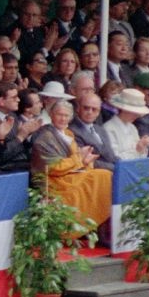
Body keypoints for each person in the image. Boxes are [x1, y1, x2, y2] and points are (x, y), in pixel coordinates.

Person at [30, 98, 112, 233]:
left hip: (69, 175)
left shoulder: (68, 133)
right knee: (102, 176)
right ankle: (77, 228)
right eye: (59, 115)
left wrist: (85, 162)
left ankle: (94, 225)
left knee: (104, 175)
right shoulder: (44, 137)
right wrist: (80, 158)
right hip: (53, 181)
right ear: (51, 115)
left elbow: (76, 160)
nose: (62, 119)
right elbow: (54, 167)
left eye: (66, 116)